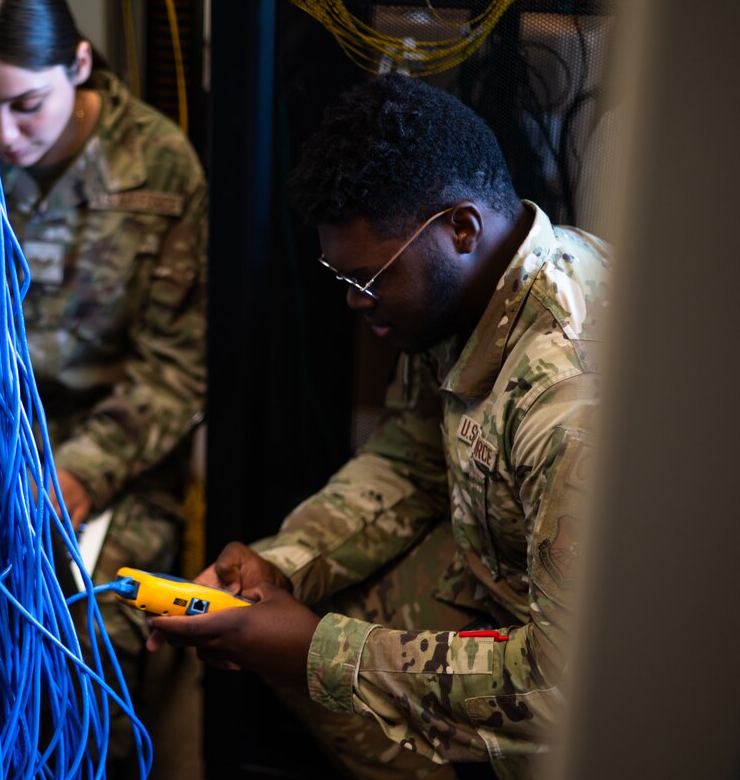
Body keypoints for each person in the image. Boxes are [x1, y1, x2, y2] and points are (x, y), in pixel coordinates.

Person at [148, 73, 608, 779]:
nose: (352, 304)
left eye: (366, 280)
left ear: (460, 228)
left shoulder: (566, 403)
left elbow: (565, 686)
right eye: (339, 278)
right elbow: (414, 454)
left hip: (585, 662)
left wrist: (318, 652)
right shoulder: (476, 288)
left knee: (318, 666)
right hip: (504, 562)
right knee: (286, 624)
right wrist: (285, 562)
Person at [0, 0, 208, 769]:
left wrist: (77, 477)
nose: (4, 134)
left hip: (119, 452)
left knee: (88, 645)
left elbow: (175, 372)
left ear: (78, 65)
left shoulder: (159, 164)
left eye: (27, 106)